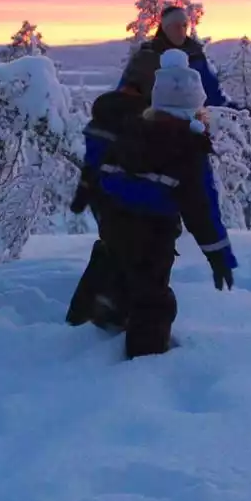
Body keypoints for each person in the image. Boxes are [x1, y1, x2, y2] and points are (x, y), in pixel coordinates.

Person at [96, 49, 237, 358]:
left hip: (115, 221)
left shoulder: (131, 131)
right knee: (153, 299)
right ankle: (144, 361)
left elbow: (104, 174)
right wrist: (219, 254)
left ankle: (107, 314)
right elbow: (202, 208)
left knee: (120, 271)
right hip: (154, 233)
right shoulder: (189, 149)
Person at [65, 79, 151, 330]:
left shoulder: (106, 112)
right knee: (123, 253)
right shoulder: (136, 117)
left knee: (112, 249)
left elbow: (93, 159)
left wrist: (85, 189)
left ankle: (87, 312)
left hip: (102, 195)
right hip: (122, 197)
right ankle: (103, 312)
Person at [120, 5, 237, 109]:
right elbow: (124, 92)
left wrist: (232, 109)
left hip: (192, 124)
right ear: (165, 29)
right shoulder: (145, 58)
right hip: (152, 123)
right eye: (176, 26)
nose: (181, 30)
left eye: (184, 25)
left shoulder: (196, 56)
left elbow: (212, 93)